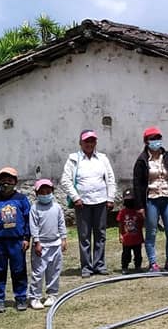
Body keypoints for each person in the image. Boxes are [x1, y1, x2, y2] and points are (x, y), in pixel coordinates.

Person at [132, 126, 168, 273]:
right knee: (151, 232)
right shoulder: (142, 160)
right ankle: (153, 263)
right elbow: (137, 184)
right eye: (152, 139)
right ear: (146, 142)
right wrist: (139, 205)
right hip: (151, 199)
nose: (156, 141)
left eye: (158, 138)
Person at [61, 129, 116, 278]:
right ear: (81, 143)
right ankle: (86, 266)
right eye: (86, 141)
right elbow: (65, 181)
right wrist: (76, 197)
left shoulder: (102, 158)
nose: (89, 144)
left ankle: (99, 264)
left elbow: (110, 179)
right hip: (82, 203)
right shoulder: (73, 159)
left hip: (101, 201)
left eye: (92, 141)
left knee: (101, 234)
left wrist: (110, 198)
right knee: (84, 236)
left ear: (95, 143)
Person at [0, 167, 31, 313]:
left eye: (10, 179)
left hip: (17, 241)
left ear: (15, 182)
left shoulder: (22, 199)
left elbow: (28, 220)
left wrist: (26, 237)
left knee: (19, 270)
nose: (6, 182)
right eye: (3, 179)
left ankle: (21, 298)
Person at [27, 179, 66, 310]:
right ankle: (35, 297)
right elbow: (33, 226)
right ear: (37, 194)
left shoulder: (57, 207)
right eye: (42, 192)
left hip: (55, 244)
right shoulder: (35, 208)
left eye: (48, 191)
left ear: (52, 192)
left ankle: (52, 295)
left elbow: (61, 223)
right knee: (38, 272)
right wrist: (37, 242)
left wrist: (64, 239)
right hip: (41, 246)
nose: (45, 194)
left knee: (54, 271)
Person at [117, 189, 145, 274]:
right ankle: (125, 267)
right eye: (127, 200)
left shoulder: (138, 212)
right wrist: (120, 235)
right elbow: (120, 224)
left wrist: (141, 213)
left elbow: (143, 220)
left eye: (131, 200)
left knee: (138, 254)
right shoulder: (122, 212)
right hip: (127, 238)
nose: (129, 202)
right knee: (126, 254)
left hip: (137, 238)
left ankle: (138, 266)